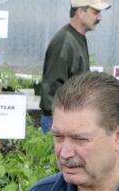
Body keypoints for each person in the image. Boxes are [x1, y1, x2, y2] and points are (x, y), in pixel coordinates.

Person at [40, 0, 110, 134]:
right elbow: (52, 89)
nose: (100, 18)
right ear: (79, 11)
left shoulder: (75, 38)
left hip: (69, 119)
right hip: (59, 121)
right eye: (95, 12)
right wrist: (62, 126)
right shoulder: (65, 42)